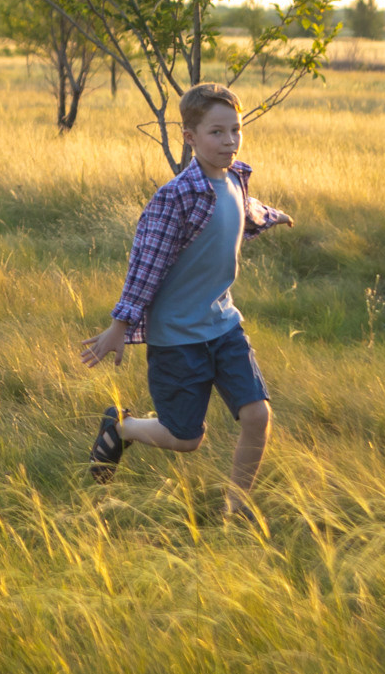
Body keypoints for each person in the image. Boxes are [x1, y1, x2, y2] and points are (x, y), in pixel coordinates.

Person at [79, 83, 292, 519]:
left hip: (224, 325)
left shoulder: (235, 178)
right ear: (189, 137)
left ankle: (238, 509)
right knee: (185, 438)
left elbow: (243, 211)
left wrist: (272, 215)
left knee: (257, 416)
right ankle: (121, 427)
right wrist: (121, 324)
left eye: (236, 130)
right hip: (178, 336)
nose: (229, 141)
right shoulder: (174, 197)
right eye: (217, 132)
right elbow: (146, 265)